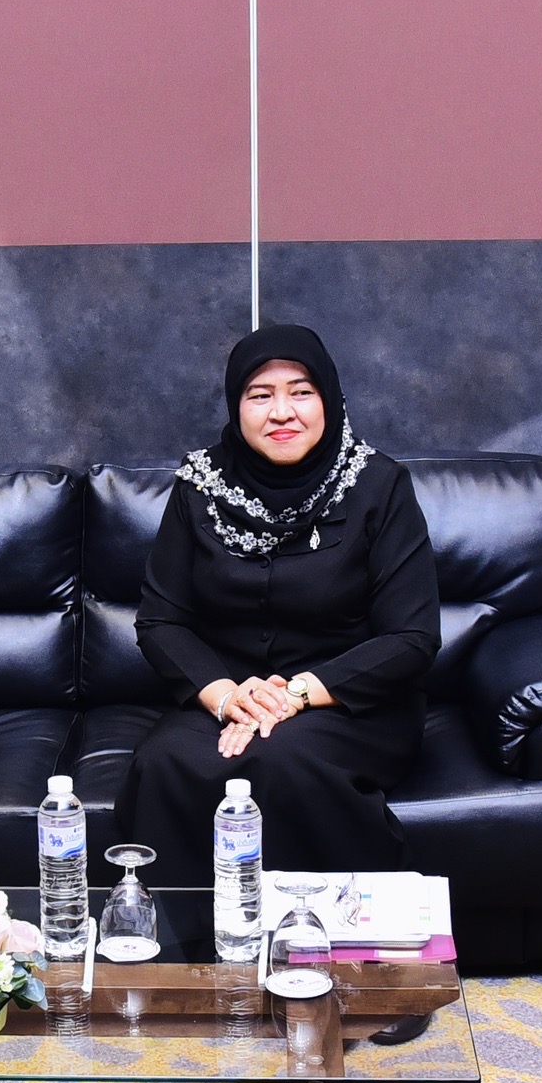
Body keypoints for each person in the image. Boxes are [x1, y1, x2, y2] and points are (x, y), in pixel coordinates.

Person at [115, 324, 439, 880]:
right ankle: (185, 935)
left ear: (329, 398)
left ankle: (335, 929)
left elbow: (412, 637)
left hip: (349, 703)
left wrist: (295, 694)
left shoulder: (380, 486)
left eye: (301, 392)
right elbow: (162, 621)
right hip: (232, 697)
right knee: (165, 762)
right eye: (260, 395)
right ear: (236, 406)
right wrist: (227, 697)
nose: (281, 412)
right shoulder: (198, 486)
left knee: (280, 758)